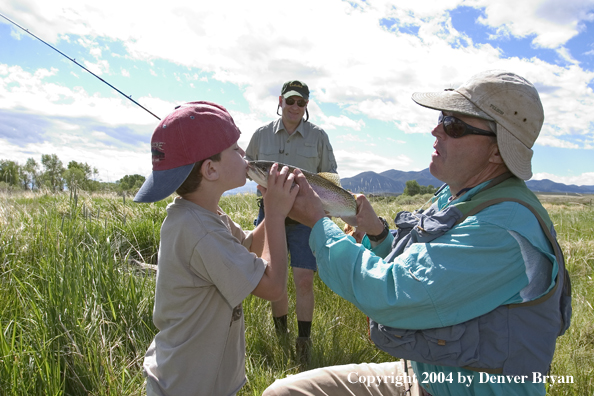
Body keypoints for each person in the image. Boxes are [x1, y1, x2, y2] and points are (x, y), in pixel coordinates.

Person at [263, 70, 572, 396]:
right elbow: (421, 265)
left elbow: (392, 294)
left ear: (497, 152)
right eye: (442, 117)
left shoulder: (499, 230)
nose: (435, 129)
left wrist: (316, 223)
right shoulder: (460, 196)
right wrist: (378, 233)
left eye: (454, 125)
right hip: (430, 375)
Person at [134, 101, 299, 396]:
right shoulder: (201, 231)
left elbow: (247, 245)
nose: (244, 154)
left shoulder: (202, 215)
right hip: (186, 385)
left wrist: (277, 208)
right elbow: (273, 288)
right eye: (235, 149)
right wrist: (274, 216)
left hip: (197, 378)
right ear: (210, 169)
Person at [246, 80, 338, 364]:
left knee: (304, 280)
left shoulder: (319, 136)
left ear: (306, 105)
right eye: (290, 101)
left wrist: (331, 211)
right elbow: (246, 167)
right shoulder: (261, 135)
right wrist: (261, 186)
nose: (295, 107)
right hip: (270, 213)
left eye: (301, 102)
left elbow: (330, 176)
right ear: (280, 101)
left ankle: (303, 344)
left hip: (304, 218)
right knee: (275, 276)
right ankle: (281, 338)